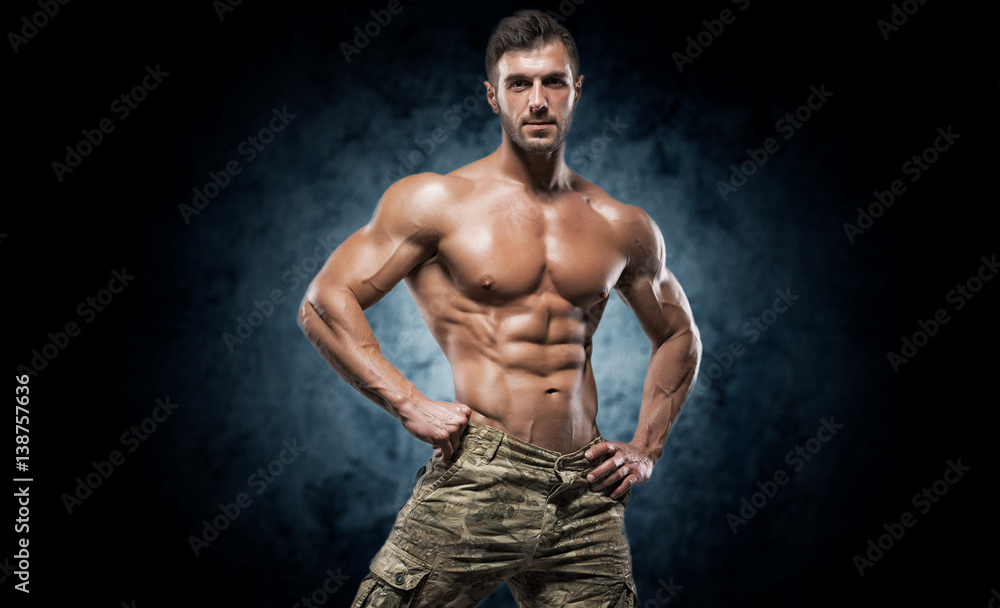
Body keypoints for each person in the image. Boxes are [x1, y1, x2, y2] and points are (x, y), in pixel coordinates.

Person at [298, 9, 701, 608]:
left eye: (553, 82)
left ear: (576, 90)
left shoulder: (623, 225)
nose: (537, 101)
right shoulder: (436, 201)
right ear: (493, 95)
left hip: (586, 493)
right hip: (480, 478)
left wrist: (646, 448)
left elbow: (678, 335)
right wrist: (407, 400)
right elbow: (325, 302)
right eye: (519, 84)